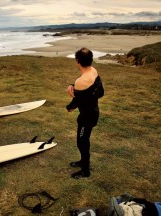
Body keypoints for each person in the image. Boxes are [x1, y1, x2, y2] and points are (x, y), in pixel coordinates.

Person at [66, 47, 104, 179]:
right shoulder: (93, 72)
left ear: (77, 61)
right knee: (84, 141)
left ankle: (85, 171)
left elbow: (76, 102)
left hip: (86, 117)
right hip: (94, 112)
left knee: (82, 142)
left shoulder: (81, 81)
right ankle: (83, 162)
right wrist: (74, 87)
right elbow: (100, 92)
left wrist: (69, 107)